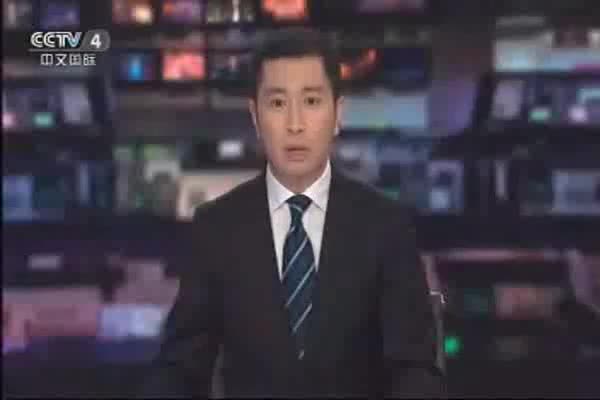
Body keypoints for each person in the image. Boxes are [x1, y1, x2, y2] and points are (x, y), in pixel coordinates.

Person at [140, 27, 446, 398]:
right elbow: (180, 368)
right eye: (278, 104)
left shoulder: (386, 226)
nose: (295, 124)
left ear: (338, 114)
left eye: (312, 101)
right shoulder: (216, 227)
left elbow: (414, 368)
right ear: (256, 116)